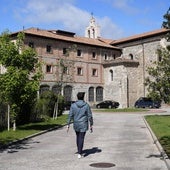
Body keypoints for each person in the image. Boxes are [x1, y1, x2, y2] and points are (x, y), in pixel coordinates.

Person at [67, 92, 93, 159]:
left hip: (76, 124)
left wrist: (68, 124)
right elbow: (90, 115)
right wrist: (91, 124)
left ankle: (79, 151)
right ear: (83, 97)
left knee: (78, 137)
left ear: (77, 97)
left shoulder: (73, 105)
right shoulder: (86, 105)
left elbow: (70, 115)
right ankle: (80, 152)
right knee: (81, 138)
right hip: (83, 123)